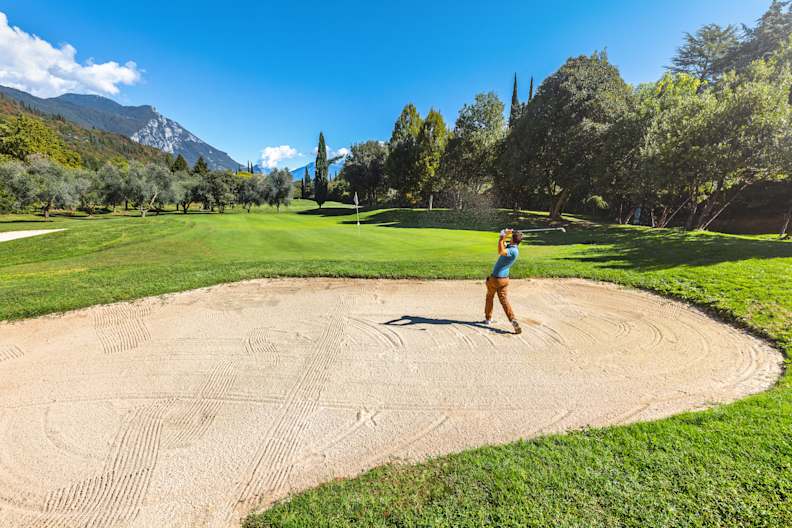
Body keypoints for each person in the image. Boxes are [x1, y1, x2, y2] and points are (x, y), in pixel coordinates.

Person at [484, 228, 523, 334]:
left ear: (513, 240)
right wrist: (506, 234)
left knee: (489, 297)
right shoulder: (514, 249)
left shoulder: (512, 251)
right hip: (504, 280)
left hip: (496, 278)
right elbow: (504, 245)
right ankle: (513, 320)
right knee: (504, 301)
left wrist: (501, 237)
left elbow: (500, 250)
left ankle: (488, 318)